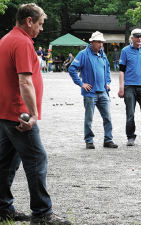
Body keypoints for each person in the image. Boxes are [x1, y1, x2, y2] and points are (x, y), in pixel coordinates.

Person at [0, 3, 71, 224]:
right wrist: (33, 114)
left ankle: (2, 209)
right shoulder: (22, 42)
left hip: (5, 111)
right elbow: (25, 81)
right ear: (29, 21)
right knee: (36, 158)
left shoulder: (5, 40)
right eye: (40, 24)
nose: (41, 29)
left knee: (6, 162)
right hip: (19, 113)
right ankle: (42, 213)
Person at [69, 31, 118, 149]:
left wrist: (108, 82)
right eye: (98, 42)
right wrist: (81, 83)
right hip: (90, 93)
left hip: (103, 92)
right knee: (89, 118)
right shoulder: (83, 54)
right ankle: (89, 141)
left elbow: (107, 69)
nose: (100, 44)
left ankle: (108, 140)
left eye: (102, 42)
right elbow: (72, 69)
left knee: (108, 118)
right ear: (91, 42)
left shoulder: (103, 55)